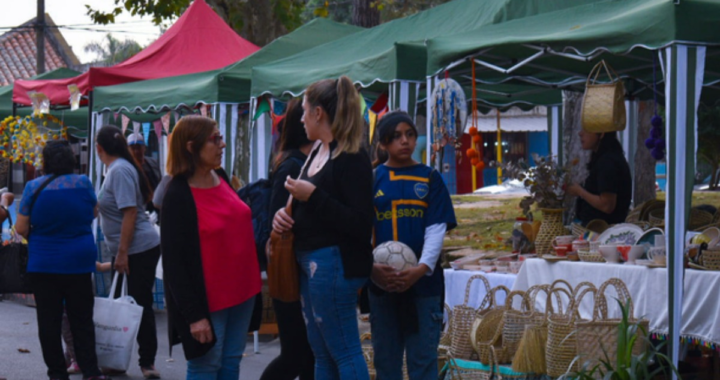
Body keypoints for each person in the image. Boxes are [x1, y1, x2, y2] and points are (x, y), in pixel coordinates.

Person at [272, 76, 374, 380]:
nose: (301, 118)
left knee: (344, 351)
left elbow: (360, 223)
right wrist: (283, 214)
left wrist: (312, 196)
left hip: (333, 264)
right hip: (312, 263)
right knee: (322, 353)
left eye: (304, 110)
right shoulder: (318, 151)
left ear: (319, 113)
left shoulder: (351, 157)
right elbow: (309, 206)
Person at [160, 115, 261, 379]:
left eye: (221, 137)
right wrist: (194, 316)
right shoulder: (177, 195)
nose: (223, 144)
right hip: (209, 301)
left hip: (243, 292)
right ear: (191, 147)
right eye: (215, 139)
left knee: (230, 364)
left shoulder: (221, 176)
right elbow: (174, 264)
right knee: (206, 366)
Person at [368, 111, 457, 380]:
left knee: (423, 364)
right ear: (383, 143)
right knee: (386, 363)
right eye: (395, 137)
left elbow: (436, 229)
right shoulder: (372, 179)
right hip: (381, 287)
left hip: (424, 287)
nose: (404, 141)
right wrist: (371, 269)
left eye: (409, 134)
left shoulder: (430, 178)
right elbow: (361, 229)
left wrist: (420, 269)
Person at [15, 141, 110, 380]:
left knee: (49, 321)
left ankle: (57, 373)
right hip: (78, 262)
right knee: (82, 320)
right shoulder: (84, 183)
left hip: (44, 263)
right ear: (71, 160)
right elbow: (94, 212)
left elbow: (21, 228)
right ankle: (90, 371)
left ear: (45, 161)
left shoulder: (32, 187)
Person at [95, 126, 162, 379]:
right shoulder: (116, 168)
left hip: (137, 248)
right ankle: (117, 357)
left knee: (137, 303)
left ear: (99, 148)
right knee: (124, 305)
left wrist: (122, 253)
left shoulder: (120, 169)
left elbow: (130, 212)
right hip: (129, 249)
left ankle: (147, 361)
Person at [260, 98, 315, 380]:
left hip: (302, 273)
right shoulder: (292, 165)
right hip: (289, 274)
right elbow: (277, 225)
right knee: (296, 354)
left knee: (309, 355)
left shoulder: (305, 162)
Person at [567, 129, 632, 226]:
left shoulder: (608, 162)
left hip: (603, 233)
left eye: (586, 129)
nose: (580, 133)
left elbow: (607, 205)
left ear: (601, 134)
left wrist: (580, 191)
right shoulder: (603, 158)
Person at [127, 133, 162, 214]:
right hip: (140, 208)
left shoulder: (152, 163)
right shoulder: (127, 168)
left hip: (158, 206)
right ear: (128, 150)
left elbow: (159, 181)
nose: (136, 151)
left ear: (144, 148)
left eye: (138, 148)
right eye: (133, 148)